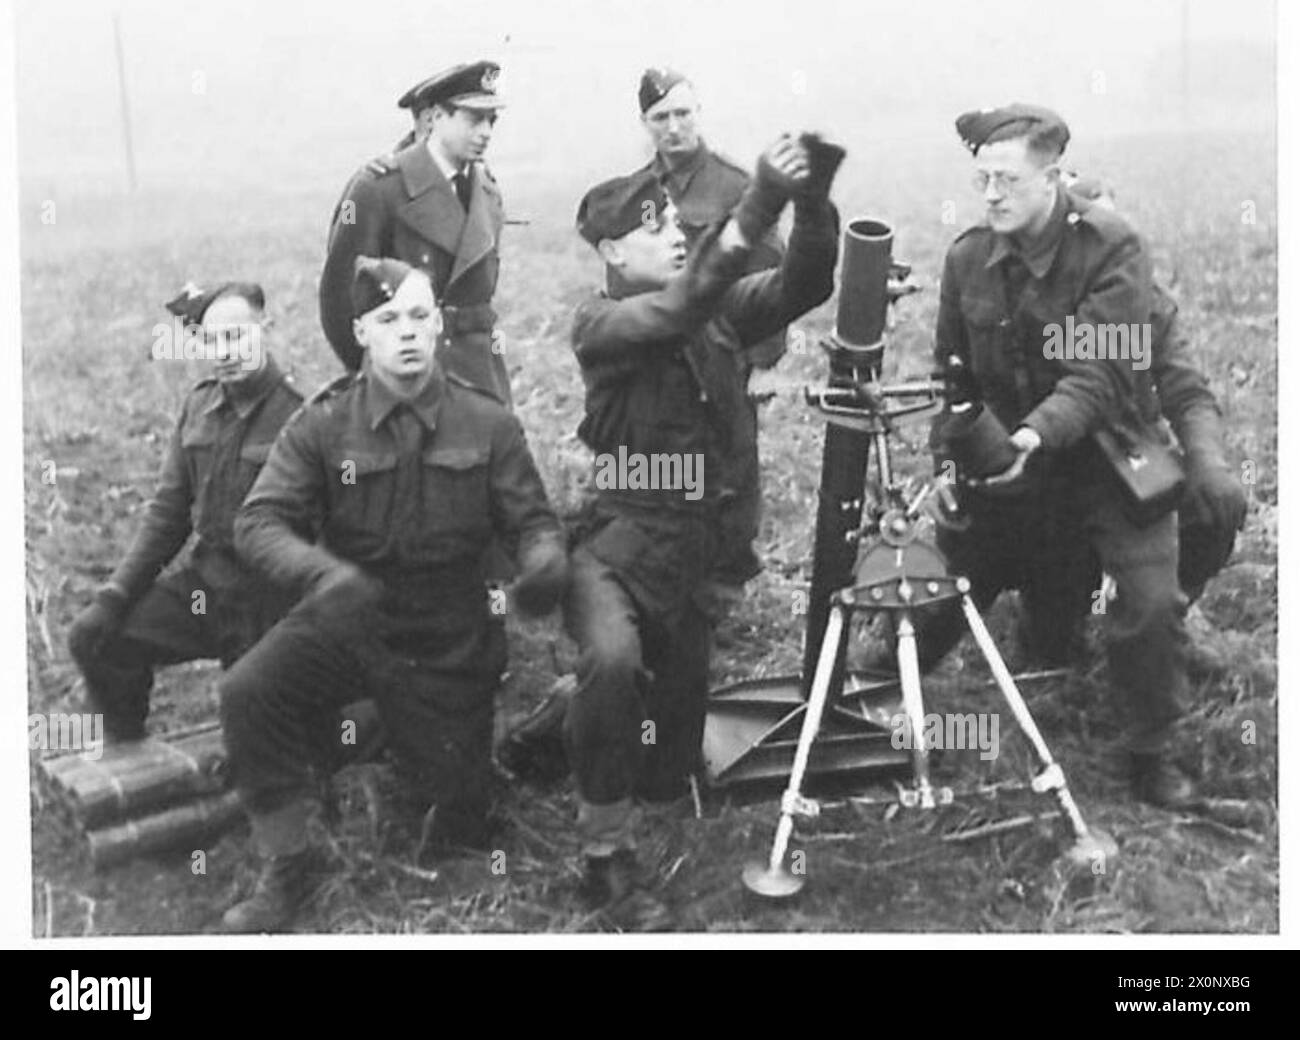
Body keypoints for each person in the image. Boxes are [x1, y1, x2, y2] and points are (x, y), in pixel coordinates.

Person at [219, 257, 566, 932]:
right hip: (348, 616)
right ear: (361, 333)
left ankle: (415, 740)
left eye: (417, 316)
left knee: (458, 827)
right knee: (247, 692)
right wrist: (321, 575)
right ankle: (291, 861)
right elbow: (257, 522)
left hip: (448, 637)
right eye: (387, 320)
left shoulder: (488, 423)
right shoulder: (324, 423)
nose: (405, 332)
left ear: (437, 324)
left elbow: (534, 523)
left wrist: (543, 563)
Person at [564, 132, 843, 926]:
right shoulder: (603, 323)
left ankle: (566, 725)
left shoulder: (714, 312)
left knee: (670, 768)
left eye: (676, 225)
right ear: (613, 250)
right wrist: (757, 200)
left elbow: (802, 283)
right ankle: (603, 859)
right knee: (612, 663)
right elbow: (682, 304)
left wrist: (812, 198)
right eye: (654, 230)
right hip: (615, 550)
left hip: (686, 559)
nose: (675, 234)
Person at [920, 103, 1200, 810]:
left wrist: (1034, 436)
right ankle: (877, 699)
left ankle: (1149, 754)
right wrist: (949, 467)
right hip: (1010, 465)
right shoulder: (966, 259)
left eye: (1007, 181)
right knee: (937, 595)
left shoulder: (1113, 247)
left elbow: (1099, 375)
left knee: (1147, 602)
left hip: (1107, 461)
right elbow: (952, 379)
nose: (990, 196)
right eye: (982, 180)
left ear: (1052, 180)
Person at [1008, 175, 1247, 669]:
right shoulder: (1023, 296)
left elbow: (1187, 390)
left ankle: (1168, 611)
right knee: (1052, 650)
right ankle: (1052, 616)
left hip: (1131, 463)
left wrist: (1207, 463)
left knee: (1212, 503)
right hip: (1051, 476)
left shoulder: (1145, 301)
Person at [66, 282, 301, 743]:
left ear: (265, 330)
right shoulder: (199, 406)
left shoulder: (302, 417)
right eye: (211, 341)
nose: (224, 352)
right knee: (98, 639)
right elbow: (167, 515)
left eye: (236, 337)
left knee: (255, 733)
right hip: (206, 590)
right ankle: (127, 757)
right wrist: (113, 596)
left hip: (269, 603)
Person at [635, 66, 787, 587]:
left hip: (725, 343)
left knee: (731, 457)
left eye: (682, 113)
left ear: (698, 114)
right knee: (667, 453)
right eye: (661, 117)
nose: (673, 127)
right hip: (662, 346)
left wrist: (764, 361)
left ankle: (729, 573)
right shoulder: (639, 189)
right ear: (645, 123)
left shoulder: (736, 185)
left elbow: (770, 279)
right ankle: (677, 564)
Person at [319, 60, 512, 406]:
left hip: (480, 381)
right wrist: (375, 370)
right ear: (436, 117)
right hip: (404, 378)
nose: (485, 132)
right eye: (473, 119)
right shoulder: (378, 188)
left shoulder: (487, 190)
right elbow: (339, 301)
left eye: (491, 121)